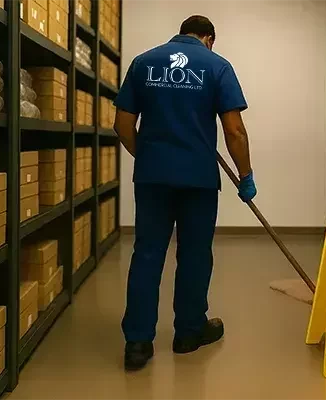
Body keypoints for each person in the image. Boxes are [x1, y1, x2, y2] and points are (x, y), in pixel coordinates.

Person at [112, 15, 257, 371]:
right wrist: (246, 175)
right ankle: (189, 333)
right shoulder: (217, 65)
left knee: (147, 254)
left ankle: (138, 344)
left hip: (152, 179)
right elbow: (235, 130)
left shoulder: (143, 62)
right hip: (198, 180)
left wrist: (148, 156)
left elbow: (121, 124)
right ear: (209, 38)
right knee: (194, 254)